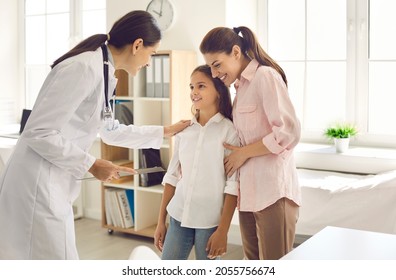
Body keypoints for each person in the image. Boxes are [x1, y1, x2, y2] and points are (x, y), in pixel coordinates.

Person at [0, 10, 189, 260]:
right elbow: (38, 131)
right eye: (151, 54)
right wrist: (91, 164)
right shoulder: (83, 68)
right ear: (137, 45)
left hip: (52, 182)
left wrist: (165, 131)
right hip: (36, 184)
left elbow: (110, 131)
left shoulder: (104, 72)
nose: (149, 63)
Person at [200, 26, 301, 260]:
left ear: (236, 52)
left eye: (217, 64)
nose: (214, 74)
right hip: (248, 196)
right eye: (210, 67)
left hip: (273, 193)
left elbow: (289, 132)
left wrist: (243, 153)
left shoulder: (265, 77)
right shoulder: (240, 88)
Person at [153, 65, 240, 260]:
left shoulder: (229, 131)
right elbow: (172, 177)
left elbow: (232, 185)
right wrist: (160, 221)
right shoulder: (184, 130)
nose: (194, 92)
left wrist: (223, 231)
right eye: (191, 87)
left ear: (218, 91)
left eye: (201, 86)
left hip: (210, 223)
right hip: (178, 215)